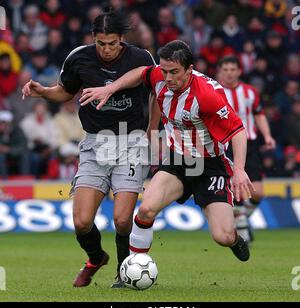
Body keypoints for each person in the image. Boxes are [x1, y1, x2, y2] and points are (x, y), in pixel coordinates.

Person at [79, 40, 255, 263]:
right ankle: (133, 267)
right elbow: (142, 72)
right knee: (145, 211)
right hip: (178, 159)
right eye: (164, 71)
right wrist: (111, 88)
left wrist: (239, 169)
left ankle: (235, 239)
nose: (168, 78)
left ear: (189, 70)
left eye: (174, 72)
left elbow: (238, 130)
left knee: (223, 236)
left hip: (211, 165)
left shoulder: (207, 95)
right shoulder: (160, 77)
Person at [22, 11, 156, 288]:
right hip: (95, 143)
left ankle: (124, 273)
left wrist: (152, 131)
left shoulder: (141, 58)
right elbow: (65, 91)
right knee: (82, 222)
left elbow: (158, 92)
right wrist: (44, 92)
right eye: (100, 43)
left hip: (131, 142)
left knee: (121, 219)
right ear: (93, 38)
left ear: (122, 39)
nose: (106, 49)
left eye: (112, 43)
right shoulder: (79, 57)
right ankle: (96, 258)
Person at [217, 55, 276, 243]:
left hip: (249, 145)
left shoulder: (251, 92)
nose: (229, 73)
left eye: (232, 69)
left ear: (239, 71)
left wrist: (267, 136)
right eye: (225, 69)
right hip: (225, 146)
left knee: (258, 192)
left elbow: (259, 115)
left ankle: (240, 219)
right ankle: (240, 228)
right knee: (235, 190)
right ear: (220, 71)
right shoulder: (214, 91)